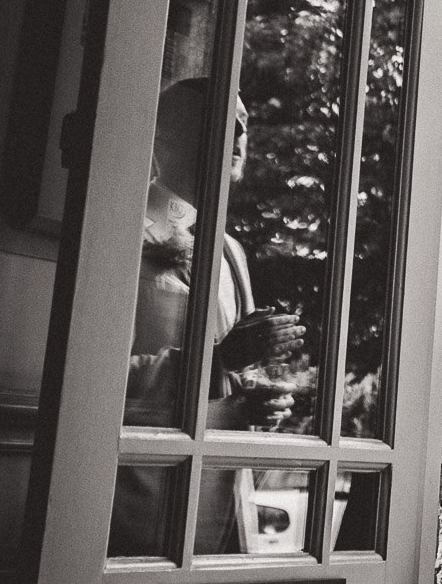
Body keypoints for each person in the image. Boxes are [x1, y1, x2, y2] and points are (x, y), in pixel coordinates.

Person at [111, 79, 302, 552]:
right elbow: (96, 379)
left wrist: (257, 402)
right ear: (165, 139)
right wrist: (216, 364)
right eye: (222, 116)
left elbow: (238, 371)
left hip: (219, 512)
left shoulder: (231, 250)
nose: (238, 130)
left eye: (244, 122)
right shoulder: (119, 229)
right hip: (136, 508)